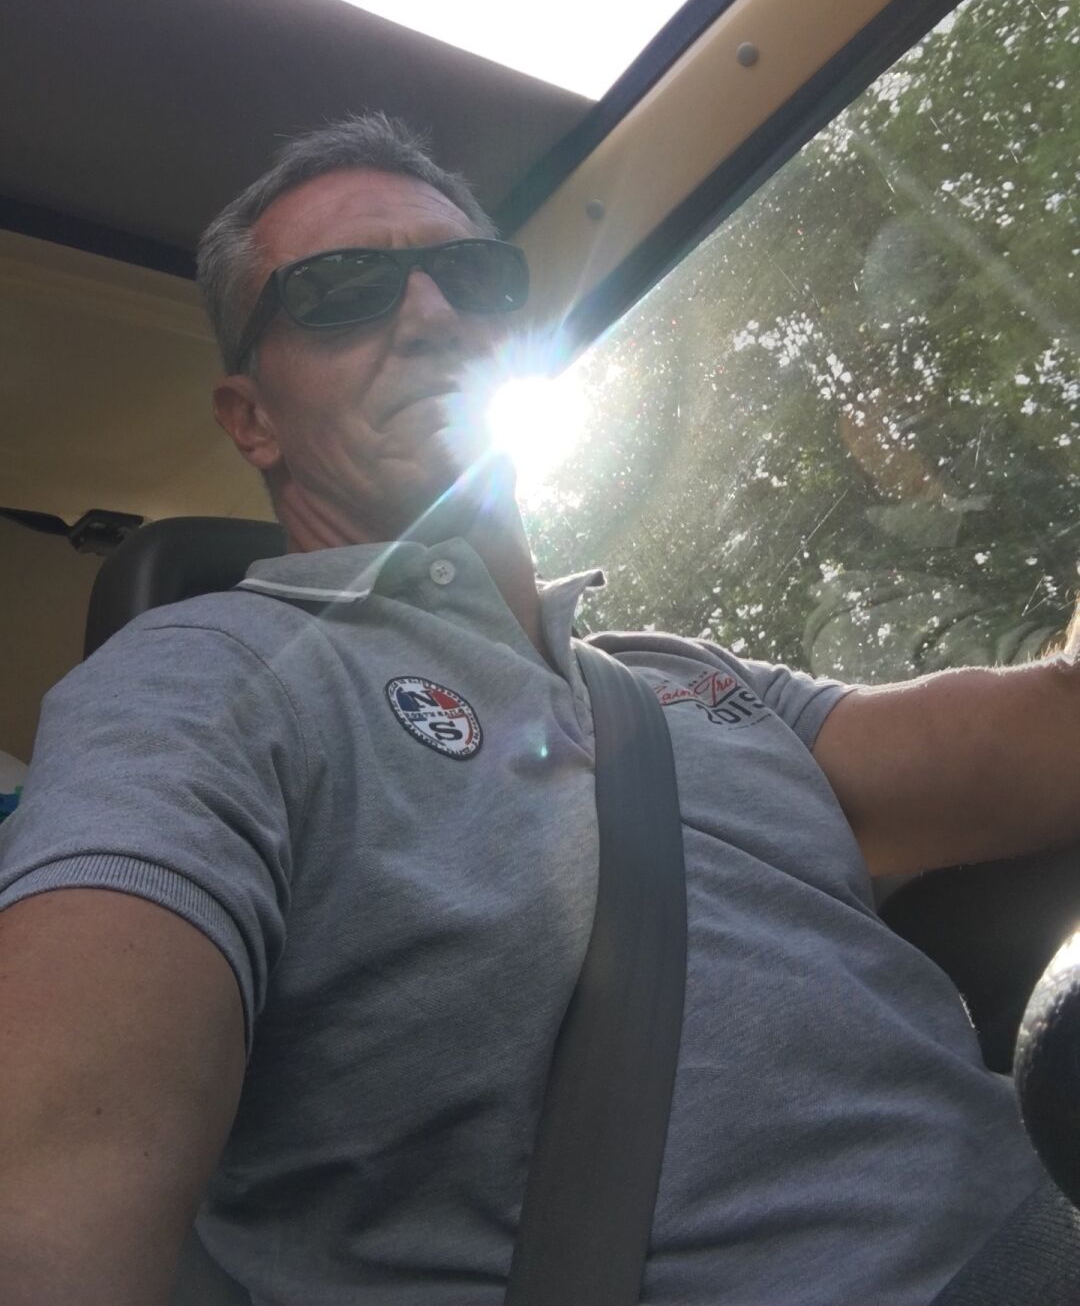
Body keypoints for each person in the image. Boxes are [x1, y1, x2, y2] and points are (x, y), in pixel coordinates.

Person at [0, 113, 1077, 1306]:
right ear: (251, 417)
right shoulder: (199, 679)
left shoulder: (681, 676)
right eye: (342, 291)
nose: (431, 315)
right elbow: (46, 1196)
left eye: (472, 276)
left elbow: (1055, 733)